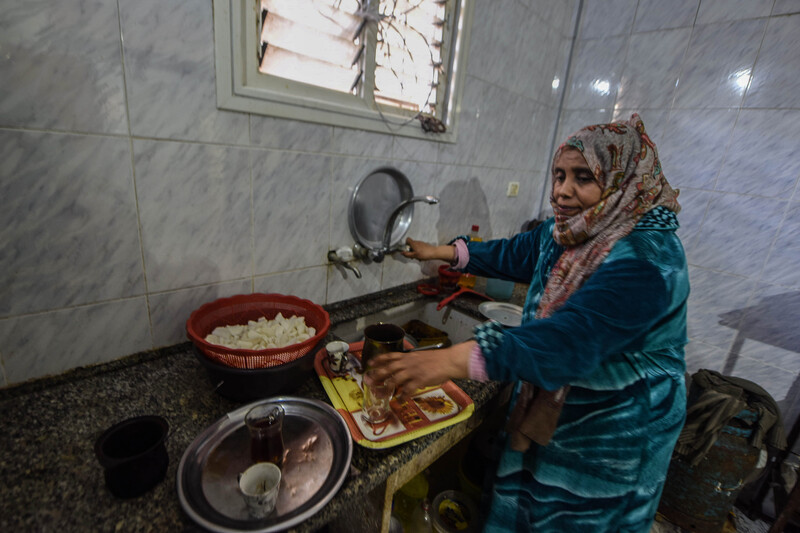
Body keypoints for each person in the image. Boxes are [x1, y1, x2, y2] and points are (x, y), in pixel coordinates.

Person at [369, 113, 689, 533]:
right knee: (530, 511)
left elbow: (570, 340)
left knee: (576, 520)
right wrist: (442, 252)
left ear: (623, 181)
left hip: (613, 431)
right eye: (558, 176)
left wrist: (450, 360)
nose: (562, 191)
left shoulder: (650, 257)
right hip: (558, 403)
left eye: (582, 177)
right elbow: (516, 253)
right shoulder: (572, 230)